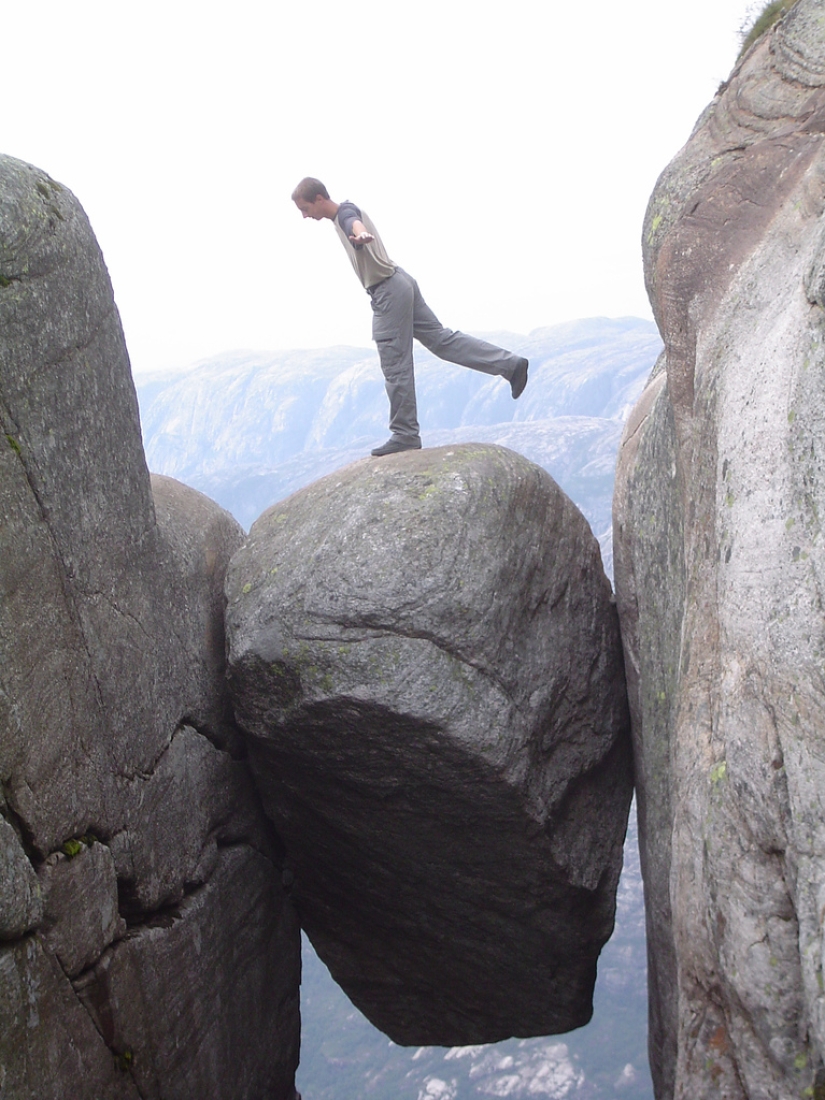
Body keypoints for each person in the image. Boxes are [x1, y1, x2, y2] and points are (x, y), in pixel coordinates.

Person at [291, 177, 529, 457]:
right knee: (442, 341)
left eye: (305, 208)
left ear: (319, 199)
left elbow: (352, 222)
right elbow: (351, 216)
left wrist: (361, 233)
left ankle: (404, 433)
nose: (305, 216)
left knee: (395, 364)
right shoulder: (347, 207)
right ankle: (511, 365)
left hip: (388, 292)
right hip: (400, 281)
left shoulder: (344, 215)